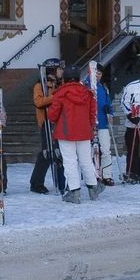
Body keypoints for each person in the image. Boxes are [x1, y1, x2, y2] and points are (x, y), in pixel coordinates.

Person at [46, 65, 101, 203]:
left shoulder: (60, 93)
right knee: (86, 161)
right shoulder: (88, 93)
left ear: (64, 79)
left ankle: (74, 192)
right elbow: (92, 114)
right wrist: (90, 127)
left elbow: (52, 115)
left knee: (70, 162)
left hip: (65, 132)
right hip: (84, 131)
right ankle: (93, 188)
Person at [29, 58, 64, 194]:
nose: (61, 71)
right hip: (47, 122)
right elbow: (38, 102)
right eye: (59, 69)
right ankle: (36, 183)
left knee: (59, 152)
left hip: (60, 122)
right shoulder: (41, 85)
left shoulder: (61, 84)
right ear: (53, 70)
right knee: (47, 153)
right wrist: (55, 96)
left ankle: (62, 182)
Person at [90, 67, 117, 185]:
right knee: (91, 151)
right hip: (89, 123)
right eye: (96, 74)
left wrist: (110, 113)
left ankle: (107, 175)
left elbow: (109, 104)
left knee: (106, 150)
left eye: (100, 74)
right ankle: (92, 175)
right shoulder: (86, 86)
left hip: (103, 123)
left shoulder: (103, 88)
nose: (98, 76)